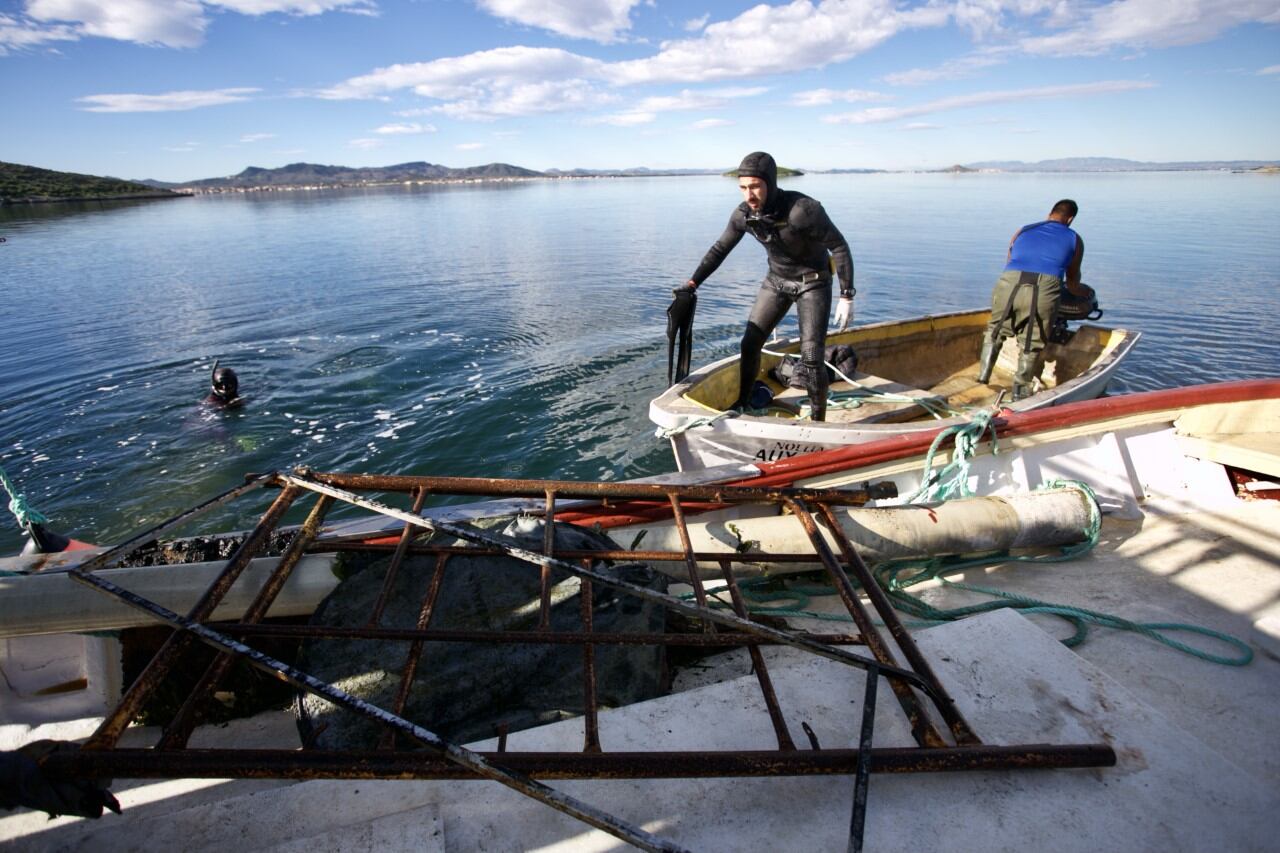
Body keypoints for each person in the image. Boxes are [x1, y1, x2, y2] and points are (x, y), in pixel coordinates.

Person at [679, 151, 854, 421]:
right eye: (743, 188)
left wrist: (847, 295)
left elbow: (839, 247)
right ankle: (743, 403)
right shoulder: (744, 215)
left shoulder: (803, 210)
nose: (749, 195)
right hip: (776, 281)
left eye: (755, 187)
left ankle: (819, 421)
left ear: (770, 184)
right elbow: (719, 249)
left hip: (813, 284)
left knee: (810, 357)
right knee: (749, 343)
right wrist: (692, 282)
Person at [978, 199, 1088, 400]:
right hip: (1044, 286)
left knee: (995, 329)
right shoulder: (1074, 239)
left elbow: (1010, 261)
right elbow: (1072, 282)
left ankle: (982, 377)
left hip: (1009, 281)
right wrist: (1084, 294)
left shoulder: (1023, 230)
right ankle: (1020, 393)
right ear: (1070, 219)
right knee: (1031, 340)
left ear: (1050, 214)